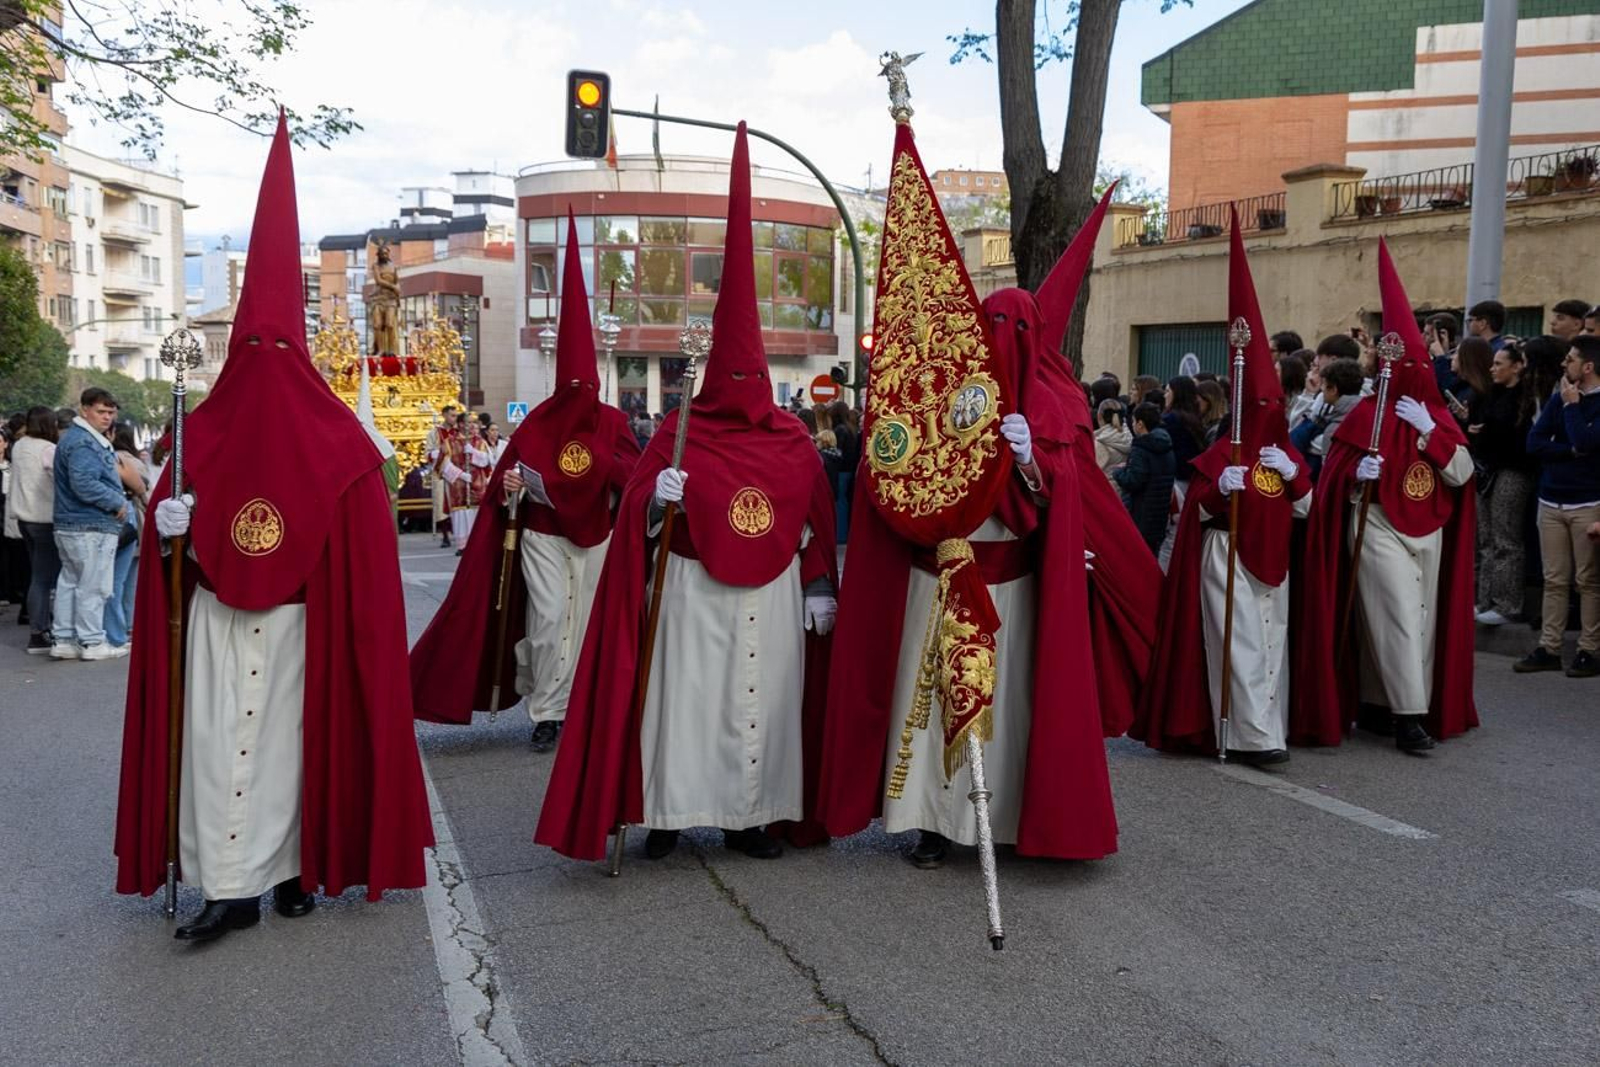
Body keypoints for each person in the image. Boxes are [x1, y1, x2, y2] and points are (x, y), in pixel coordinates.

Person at [115, 113, 433, 942]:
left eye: (272, 341)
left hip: (301, 628)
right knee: (219, 746)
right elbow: (166, 524)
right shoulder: (200, 429)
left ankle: (292, 868)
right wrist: (166, 525)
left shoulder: (340, 440)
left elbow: (364, 553)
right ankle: (231, 886)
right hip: (217, 621)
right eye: (246, 343)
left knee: (295, 750)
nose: (259, 355)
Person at [814, 123, 1116, 868]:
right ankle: (929, 821)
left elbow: (1065, 496)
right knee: (930, 698)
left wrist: (1032, 461)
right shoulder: (952, 395)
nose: (1004, 334)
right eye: (994, 323)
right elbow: (901, 472)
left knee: (1002, 703)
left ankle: (1002, 820)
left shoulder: (1055, 405)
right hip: (937, 574)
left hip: (1011, 584)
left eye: (1017, 325)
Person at [535, 124, 838, 864]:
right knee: (683, 701)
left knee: (759, 704)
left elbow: (813, 519)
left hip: (769, 597)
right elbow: (637, 503)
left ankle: (748, 816)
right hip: (690, 588)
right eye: (732, 376)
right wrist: (652, 501)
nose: (742, 387)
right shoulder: (678, 430)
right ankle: (668, 809)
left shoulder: (791, 441)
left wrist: (818, 584)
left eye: (752, 375)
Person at [411, 210, 643, 751]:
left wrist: (605, 467)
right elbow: (502, 482)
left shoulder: (612, 423)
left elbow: (634, 478)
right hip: (542, 533)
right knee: (548, 620)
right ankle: (548, 711)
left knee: (587, 621)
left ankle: (582, 706)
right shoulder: (538, 422)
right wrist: (511, 486)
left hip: (599, 535)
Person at [1136, 217, 1312, 768]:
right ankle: (1249, 736)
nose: (1269, 412)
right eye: (1261, 405)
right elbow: (1196, 509)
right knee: (1239, 644)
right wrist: (1218, 492)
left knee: (1271, 642)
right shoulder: (1223, 451)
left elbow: (1307, 506)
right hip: (1226, 555)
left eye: (1275, 404)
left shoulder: (1285, 452)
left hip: (1274, 562)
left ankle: (1266, 725)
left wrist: (1293, 474)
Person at [1293, 240, 1478, 754]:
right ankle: (1409, 717)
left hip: (1428, 527)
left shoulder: (1434, 416)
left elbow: (1462, 475)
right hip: (1374, 523)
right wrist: (1356, 472)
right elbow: (1333, 475)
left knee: (1418, 619)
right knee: (1395, 612)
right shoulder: (1365, 415)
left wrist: (1431, 435)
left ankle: (1379, 701)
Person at [1516, 334, 1600, 677]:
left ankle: (1589, 650)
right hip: (1550, 498)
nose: (1565, 364)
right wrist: (1570, 452)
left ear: (1588, 366)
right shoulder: (1559, 397)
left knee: (1588, 581)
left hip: (1588, 501)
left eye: (1571, 359)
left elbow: (1587, 441)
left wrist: (1572, 408)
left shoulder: (1573, 400)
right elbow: (1534, 443)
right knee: (1554, 579)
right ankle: (1549, 647)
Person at [50, 387, 127, 661]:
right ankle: (92, 641)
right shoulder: (84, 442)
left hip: (72, 523)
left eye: (111, 412)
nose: (107, 417)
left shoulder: (75, 438)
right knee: (92, 585)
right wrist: (117, 502)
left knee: (71, 582)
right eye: (101, 411)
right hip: (90, 524)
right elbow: (83, 483)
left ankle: (64, 639)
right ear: (85, 410)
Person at [1471, 341, 1536, 626]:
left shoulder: (1526, 398)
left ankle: (1507, 603)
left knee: (1505, 537)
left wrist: (1487, 432)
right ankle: (1484, 600)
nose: (1492, 369)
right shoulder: (1491, 394)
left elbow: (1517, 435)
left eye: (1499, 364)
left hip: (1513, 470)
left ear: (1517, 366)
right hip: (1488, 470)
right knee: (1485, 538)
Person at [8, 407, 58, 653]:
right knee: (44, 578)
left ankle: (38, 628)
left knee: (36, 575)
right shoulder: (48, 449)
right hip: (44, 518)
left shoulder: (19, 446)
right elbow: (60, 480)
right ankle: (39, 632)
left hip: (23, 518)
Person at [101, 423, 148, 651]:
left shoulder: (109, 457)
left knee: (116, 580)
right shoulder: (132, 461)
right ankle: (127, 627)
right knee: (128, 581)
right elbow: (144, 490)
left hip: (120, 522)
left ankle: (117, 630)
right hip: (135, 524)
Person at [1290, 357, 1365, 482]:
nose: (1322, 389)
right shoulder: (1364, 413)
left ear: (1333, 389)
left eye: (1324, 384)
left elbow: (1329, 475)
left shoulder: (1334, 429)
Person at [1115, 403, 1176, 556]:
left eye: (1134, 421)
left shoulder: (1141, 448)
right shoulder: (1167, 446)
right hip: (1159, 514)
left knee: (1135, 557)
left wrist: (1119, 472)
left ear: (1140, 424)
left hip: (1140, 513)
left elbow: (1133, 481)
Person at [425, 406, 458, 547]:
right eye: (452, 415)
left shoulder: (458, 433)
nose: (454, 418)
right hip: (440, 472)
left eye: (456, 415)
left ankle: (459, 534)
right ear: (444, 415)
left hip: (456, 472)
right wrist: (440, 452)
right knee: (440, 504)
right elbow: (427, 453)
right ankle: (445, 536)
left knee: (457, 503)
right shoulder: (434, 433)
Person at [1093, 399, 1131, 481]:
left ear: (1099, 416)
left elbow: (1092, 472)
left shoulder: (1100, 442)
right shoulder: (1129, 436)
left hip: (1104, 485)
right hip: (1124, 485)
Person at [1197, 378, 1228, 446]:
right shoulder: (1205, 425)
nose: (1195, 403)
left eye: (1197, 400)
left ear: (1208, 400)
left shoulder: (1216, 430)